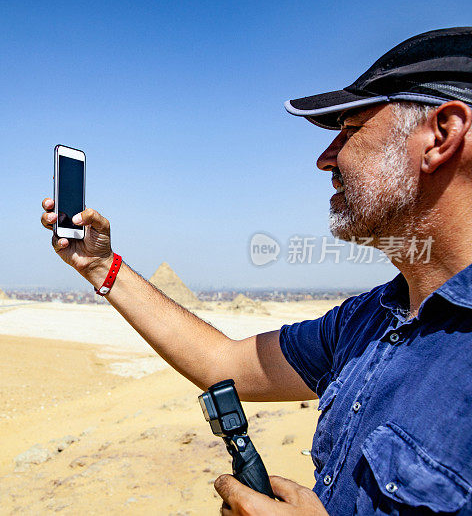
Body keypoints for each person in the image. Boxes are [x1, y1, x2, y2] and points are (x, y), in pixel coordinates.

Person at [40, 27, 472, 514]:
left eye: (350, 132)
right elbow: (224, 365)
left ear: (442, 134)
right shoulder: (366, 321)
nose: (324, 158)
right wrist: (101, 266)